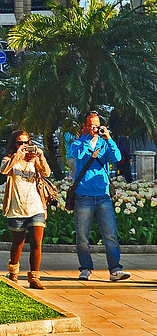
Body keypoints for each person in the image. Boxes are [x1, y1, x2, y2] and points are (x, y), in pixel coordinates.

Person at [70, 112, 131, 281]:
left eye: (96, 125)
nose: (94, 129)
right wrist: (88, 140)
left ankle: (115, 270)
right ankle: (86, 268)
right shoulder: (77, 143)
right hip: (83, 196)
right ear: (84, 127)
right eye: (90, 125)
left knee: (110, 235)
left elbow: (117, 158)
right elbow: (78, 155)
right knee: (82, 237)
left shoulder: (105, 143)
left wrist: (109, 138)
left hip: (103, 195)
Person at [0, 129, 51, 289]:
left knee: (36, 243)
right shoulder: (8, 159)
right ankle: (13, 273)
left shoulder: (33, 160)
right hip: (16, 208)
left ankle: (34, 277)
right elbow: (3, 170)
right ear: (14, 144)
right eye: (19, 143)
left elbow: (47, 173)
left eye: (26, 143)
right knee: (18, 243)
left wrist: (40, 157)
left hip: (35, 206)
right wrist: (16, 156)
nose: (23, 145)